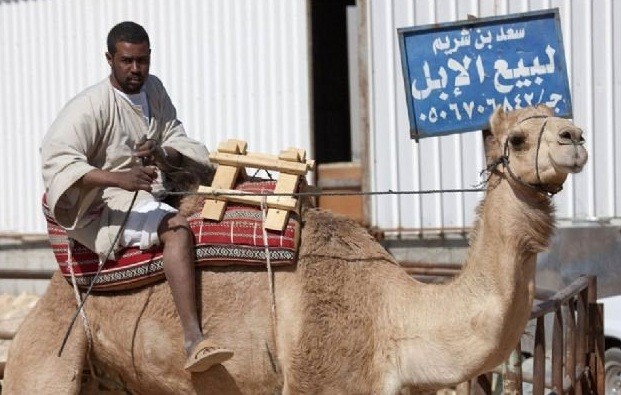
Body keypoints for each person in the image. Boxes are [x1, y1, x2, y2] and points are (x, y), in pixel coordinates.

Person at [40, 21, 233, 373]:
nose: (136, 69)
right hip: (104, 202)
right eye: (127, 61)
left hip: (150, 190)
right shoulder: (91, 106)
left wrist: (162, 154)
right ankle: (193, 338)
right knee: (176, 227)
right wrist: (120, 178)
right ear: (109, 59)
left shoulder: (154, 89)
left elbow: (175, 135)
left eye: (142, 60)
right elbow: (58, 160)